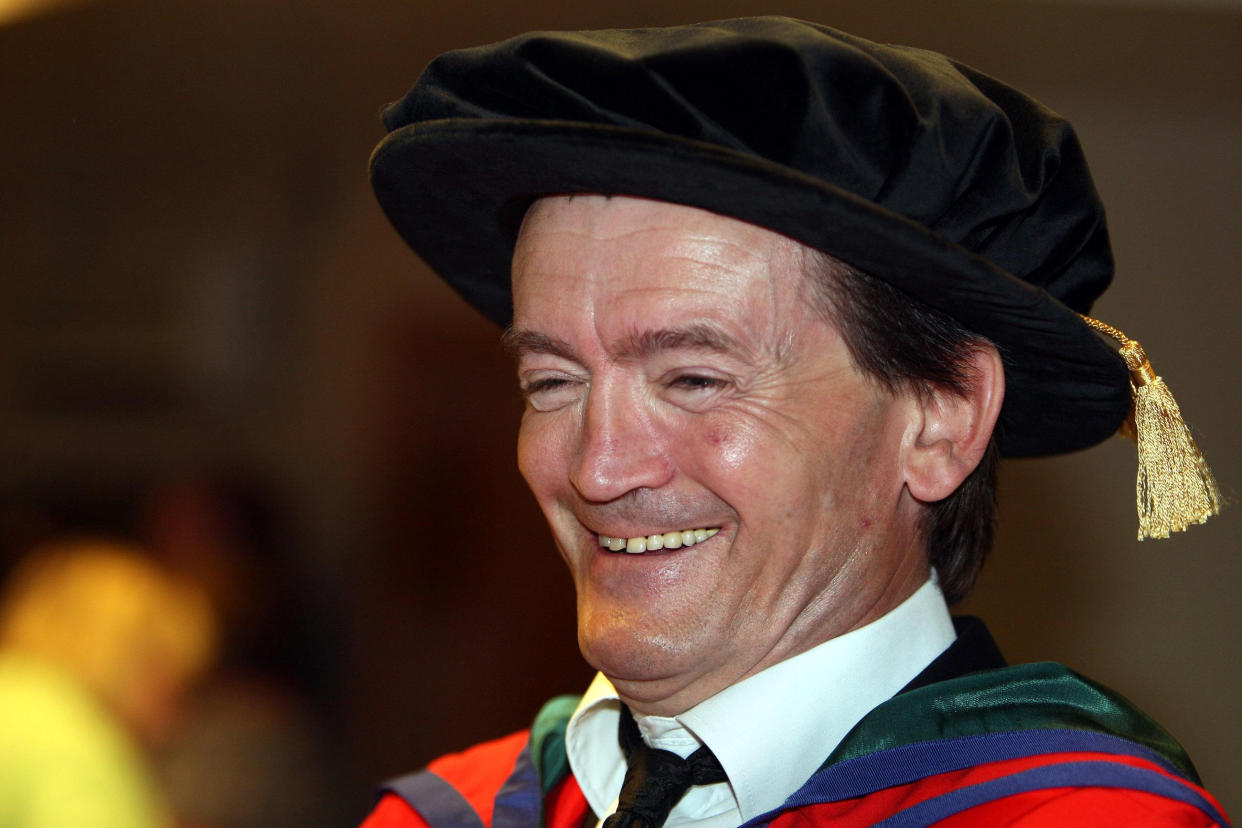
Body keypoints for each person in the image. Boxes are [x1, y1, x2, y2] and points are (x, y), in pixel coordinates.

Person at [361, 17, 1228, 827]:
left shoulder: (1076, 815)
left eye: (695, 378)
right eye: (551, 380)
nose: (597, 468)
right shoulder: (452, 811)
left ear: (941, 421)